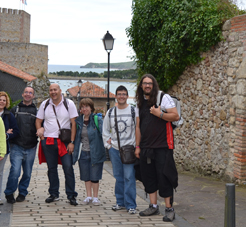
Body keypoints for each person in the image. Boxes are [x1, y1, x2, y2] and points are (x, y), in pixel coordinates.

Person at [135, 74, 179, 222]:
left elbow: (175, 116)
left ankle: (169, 209)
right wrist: (137, 146)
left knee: (165, 176)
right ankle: (153, 206)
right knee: (149, 177)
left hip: (163, 146)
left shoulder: (163, 98)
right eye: (145, 83)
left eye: (150, 83)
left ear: (154, 85)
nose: (147, 86)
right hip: (146, 147)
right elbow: (138, 126)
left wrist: (159, 113)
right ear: (141, 86)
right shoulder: (140, 103)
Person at [35, 84, 78, 205]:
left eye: (55, 90)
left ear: (60, 91)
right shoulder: (45, 104)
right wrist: (41, 135)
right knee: (51, 169)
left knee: (68, 167)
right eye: (51, 90)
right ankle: (54, 193)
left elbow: (73, 124)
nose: (53, 92)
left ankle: (71, 195)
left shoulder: (69, 104)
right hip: (48, 141)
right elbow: (38, 121)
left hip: (64, 142)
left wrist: (72, 142)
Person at [102, 85, 137, 214]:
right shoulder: (111, 112)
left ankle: (131, 204)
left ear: (127, 96)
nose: (121, 96)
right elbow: (105, 130)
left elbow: (137, 129)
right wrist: (108, 145)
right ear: (116, 96)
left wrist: (135, 145)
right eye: (119, 94)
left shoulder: (133, 111)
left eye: (124, 94)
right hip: (115, 149)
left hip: (129, 149)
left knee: (129, 176)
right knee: (118, 177)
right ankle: (120, 202)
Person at [4, 86, 38, 203]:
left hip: (31, 146)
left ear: (33, 96)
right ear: (22, 94)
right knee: (15, 171)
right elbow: (8, 125)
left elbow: (41, 126)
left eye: (30, 93)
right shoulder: (15, 109)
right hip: (16, 146)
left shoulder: (37, 111)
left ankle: (22, 192)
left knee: (27, 173)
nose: (28, 94)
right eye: (26, 92)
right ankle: (9, 192)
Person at [73, 98, 106, 206]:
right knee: (86, 176)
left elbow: (103, 134)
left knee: (95, 176)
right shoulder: (78, 121)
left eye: (86, 106)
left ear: (91, 108)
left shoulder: (97, 120)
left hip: (95, 152)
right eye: (82, 107)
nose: (84, 109)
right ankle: (88, 196)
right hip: (83, 152)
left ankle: (95, 197)